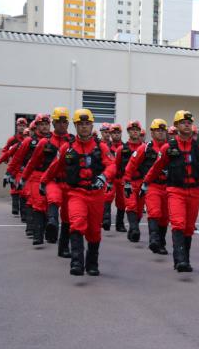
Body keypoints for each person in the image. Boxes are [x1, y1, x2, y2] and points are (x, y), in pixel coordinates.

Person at [41, 109, 115, 276]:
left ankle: (92, 263)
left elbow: (112, 165)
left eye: (87, 124)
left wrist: (104, 176)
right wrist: (43, 182)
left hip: (96, 195)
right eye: (80, 124)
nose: (84, 127)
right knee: (76, 223)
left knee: (94, 231)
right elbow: (54, 167)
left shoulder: (101, 147)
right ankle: (76, 262)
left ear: (92, 125)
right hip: (76, 194)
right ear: (75, 126)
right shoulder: (67, 148)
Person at [139, 110, 199, 272]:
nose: (187, 125)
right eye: (183, 123)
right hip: (175, 191)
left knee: (189, 227)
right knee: (178, 223)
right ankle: (180, 260)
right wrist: (146, 183)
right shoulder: (168, 147)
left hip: (194, 192)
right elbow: (156, 167)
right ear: (176, 126)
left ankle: (186, 259)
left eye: (189, 123)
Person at [20, 111, 73, 246]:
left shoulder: (72, 141)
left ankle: (54, 236)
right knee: (41, 204)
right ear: (54, 123)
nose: (62, 125)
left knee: (67, 213)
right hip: (46, 178)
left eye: (64, 122)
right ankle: (38, 235)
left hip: (68, 181)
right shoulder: (44, 142)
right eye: (58, 122)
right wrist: (23, 178)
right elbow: (32, 161)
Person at [125, 118, 170, 252]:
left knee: (165, 217)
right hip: (151, 185)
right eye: (157, 130)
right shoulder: (145, 148)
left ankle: (161, 242)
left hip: (168, 186)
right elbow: (131, 165)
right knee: (154, 212)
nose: (160, 133)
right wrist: (127, 182)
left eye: (163, 130)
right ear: (152, 132)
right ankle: (154, 240)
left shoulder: (171, 148)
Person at [0, 117, 29, 216]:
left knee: (24, 188)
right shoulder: (13, 139)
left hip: (26, 166)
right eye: (20, 125)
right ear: (17, 126)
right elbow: (6, 150)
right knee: (14, 186)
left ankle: (25, 210)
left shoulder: (30, 139)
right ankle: (15, 207)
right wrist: (5, 159)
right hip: (14, 165)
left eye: (23, 125)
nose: (22, 127)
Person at [118, 120, 146, 241]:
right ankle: (135, 230)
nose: (135, 132)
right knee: (131, 205)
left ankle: (133, 228)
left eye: (137, 130)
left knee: (139, 210)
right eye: (132, 130)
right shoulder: (121, 149)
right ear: (128, 132)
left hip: (141, 182)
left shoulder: (146, 148)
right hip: (127, 182)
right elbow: (116, 166)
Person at [105, 123, 126, 231]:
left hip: (122, 177)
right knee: (107, 197)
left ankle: (120, 224)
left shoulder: (125, 147)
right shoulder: (106, 147)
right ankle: (106, 220)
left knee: (122, 201)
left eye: (118, 133)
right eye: (114, 133)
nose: (116, 135)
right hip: (110, 178)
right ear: (110, 134)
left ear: (121, 133)